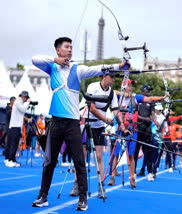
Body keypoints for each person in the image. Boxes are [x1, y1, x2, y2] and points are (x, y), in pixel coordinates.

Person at [31, 37, 128, 211]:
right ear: (58, 50)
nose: (70, 50)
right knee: (49, 161)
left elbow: (99, 68)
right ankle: (43, 196)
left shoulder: (77, 69)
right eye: (66, 47)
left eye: (71, 47)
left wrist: (119, 67)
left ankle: (83, 199)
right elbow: (34, 59)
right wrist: (56, 60)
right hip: (55, 122)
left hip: (72, 124)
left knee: (79, 161)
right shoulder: (51, 67)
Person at [70, 72, 129, 199]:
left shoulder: (112, 93)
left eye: (114, 77)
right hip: (85, 122)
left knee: (99, 157)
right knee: (82, 155)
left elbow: (116, 112)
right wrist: (106, 119)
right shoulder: (93, 87)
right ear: (104, 76)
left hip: (99, 126)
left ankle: (101, 186)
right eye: (111, 76)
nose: (113, 79)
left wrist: (123, 128)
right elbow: (92, 108)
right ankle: (77, 184)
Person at [108, 79, 168, 188]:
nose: (130, 88)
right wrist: (122, 93)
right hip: (120, 131)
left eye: (131, 86)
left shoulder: (135, 98)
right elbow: (110, 91)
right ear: (123, 87)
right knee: (116, 154)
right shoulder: (118, 97)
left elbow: (149, 99)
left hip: (132, 131)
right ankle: (112, 176)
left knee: (131, 156)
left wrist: (162, 98)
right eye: (128, 86)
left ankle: (132, 178)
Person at [134, 84, 156, 181]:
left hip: (147, 130)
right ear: (143, 91)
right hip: (138, 128)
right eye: (147, 90)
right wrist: (144, 118)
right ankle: (133, 172)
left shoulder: (150, 102)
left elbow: (153, 116)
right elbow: (134, 115)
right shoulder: (137, 100)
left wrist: (157, 124)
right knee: (135, 151)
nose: (149, 92)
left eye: (149, 91)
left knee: (149, 152)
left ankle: (150, 173)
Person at [5, 91, 30, 167]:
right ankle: (9, 160)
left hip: (17, 126)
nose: (25, 98)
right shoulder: (18, 102)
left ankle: (12, 159)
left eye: (25, 97)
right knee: (13, 144)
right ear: (21, 96)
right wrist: (28, 102)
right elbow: (23, 109)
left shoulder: (20, 102)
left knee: (15, 144)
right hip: (14, 126)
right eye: (24, 97)